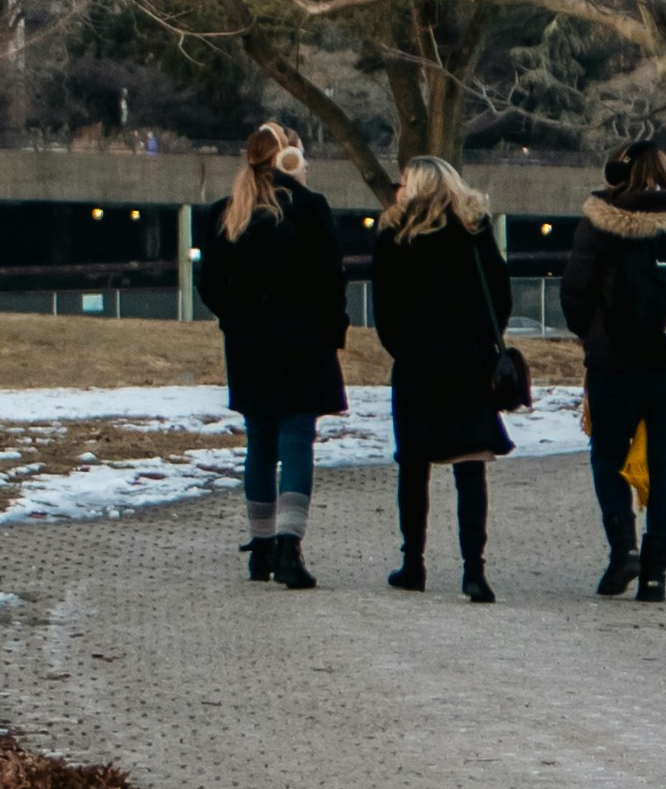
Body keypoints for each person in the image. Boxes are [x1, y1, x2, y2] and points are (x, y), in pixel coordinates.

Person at [560, 139, 666, 603]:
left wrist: (594, 337)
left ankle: (623, 549)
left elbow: (576, 294)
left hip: (615, 366)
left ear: (615, 175)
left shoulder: (599, 226)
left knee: (608, 454)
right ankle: (656, 572)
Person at [196, 121, 347, 587]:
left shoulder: (225, 213)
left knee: (259, 442)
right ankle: (289, 548)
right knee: (297, 440)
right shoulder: (308, 208)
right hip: (303, 342)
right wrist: (332, 332)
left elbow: (210, 285)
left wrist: (235, 321)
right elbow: (331, 278)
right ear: (290, 158)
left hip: (249, 345)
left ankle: (260, 547)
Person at [367, 155, 519, 599]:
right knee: (471, 466)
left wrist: (406, 348)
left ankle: (412, 562)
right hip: (469, 361)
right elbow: (501, 296)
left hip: (417, 364)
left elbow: (385, 312)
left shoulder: (395, 237)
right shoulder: (474, 232)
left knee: (413, 465)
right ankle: (474, 569)